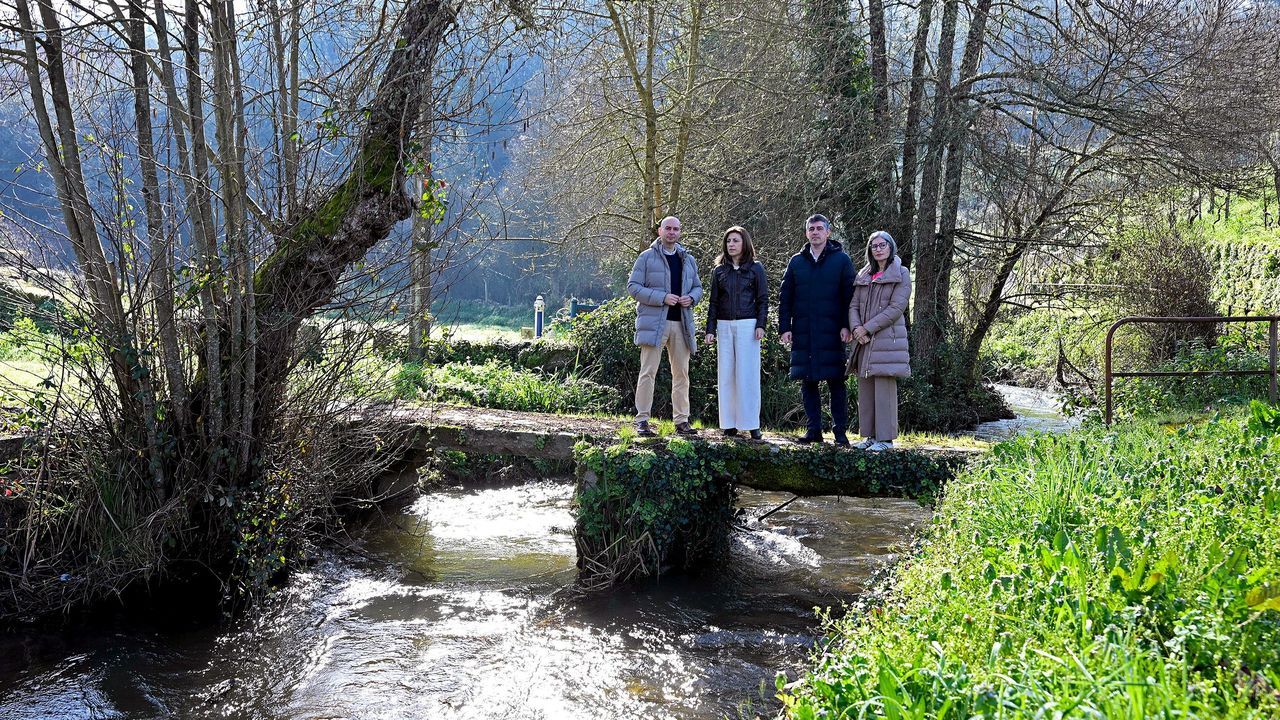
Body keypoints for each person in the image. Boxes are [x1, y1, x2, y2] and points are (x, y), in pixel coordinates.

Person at [777, 213, 855, 445]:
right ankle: (814, 431)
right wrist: (784, 328)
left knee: (836, 382)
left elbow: (849, 297)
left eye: (820, 228)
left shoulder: (841, 260)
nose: (815, 232)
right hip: (803, 331)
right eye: (811, 229)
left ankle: (840, 433)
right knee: (808, 381)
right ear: (806, 233)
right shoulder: (796, 261)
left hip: (833, 332)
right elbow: (786, 297)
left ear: (828, 232)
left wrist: (846, 325)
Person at [627, 215, 703, 437]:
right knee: (647, 372)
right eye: (667, 228)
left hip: (682, 324)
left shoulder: (688, 259)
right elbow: (633, 287)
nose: (671, 232)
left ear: (680, 232)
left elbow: (698, 287)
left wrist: (692, 297)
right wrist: (662, 297)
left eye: (676, 229)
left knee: (682, 374)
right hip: (654, 324)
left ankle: (681, 421)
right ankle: (642, 421)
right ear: (660, 231)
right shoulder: (646, 258)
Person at [847, 230, 911, 451]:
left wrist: (867, 328)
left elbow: (896, 308)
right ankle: (869, 437)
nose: (878, 249)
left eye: (882, 245)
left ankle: (885, 440)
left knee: (884, 388)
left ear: (890, 246)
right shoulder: (864, 274)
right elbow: (853, 305)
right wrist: (856, 329)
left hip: (887, 340)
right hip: (863, 340)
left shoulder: (901, 273)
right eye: (874, 246)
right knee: (866, 387)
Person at [704, 226, 768, 440]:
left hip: (747, 325)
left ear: (745, 243)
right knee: (726, 375)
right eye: (728, 241)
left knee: (747, 375)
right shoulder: (719, 271)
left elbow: (763, 299)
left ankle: (751, 424)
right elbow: (713, 302)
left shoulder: (755, 268)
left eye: (736, 241)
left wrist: (761, 324)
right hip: (723, 325)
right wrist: (710, 329)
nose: (731, 244)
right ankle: (728, 424)